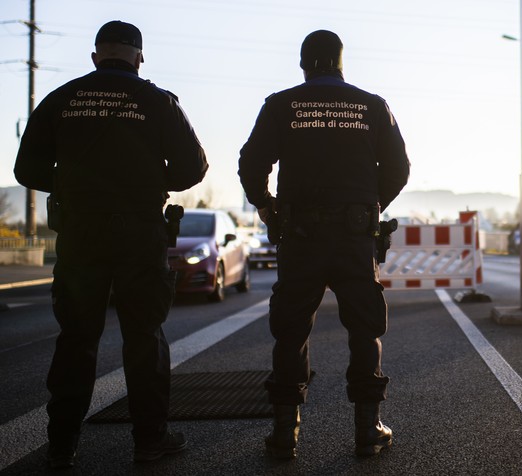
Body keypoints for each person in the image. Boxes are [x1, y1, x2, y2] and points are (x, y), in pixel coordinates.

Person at [14, 20, 208, 468]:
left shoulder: (63, 99)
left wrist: (73, 187)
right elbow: (193, 168)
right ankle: (149, 440)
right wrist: (149, 184)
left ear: (96, 56)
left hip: (82, 234)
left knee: (77, 339)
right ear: (139, 57)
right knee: (144, 337)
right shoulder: (158, 102)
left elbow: (27, 170)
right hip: (141, 234)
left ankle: (62, 445)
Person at [238, 29, 410, 459]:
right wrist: (369, 205)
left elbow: (251, 162)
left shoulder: (281, 104)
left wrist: (266, 205)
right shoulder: (371, 106)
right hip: (354, 237)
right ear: (340, 62)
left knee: (291, 330)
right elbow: (398, 167)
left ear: (303, 64)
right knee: (364, 327)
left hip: (300, 236)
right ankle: (367, 430)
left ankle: (284, 434)